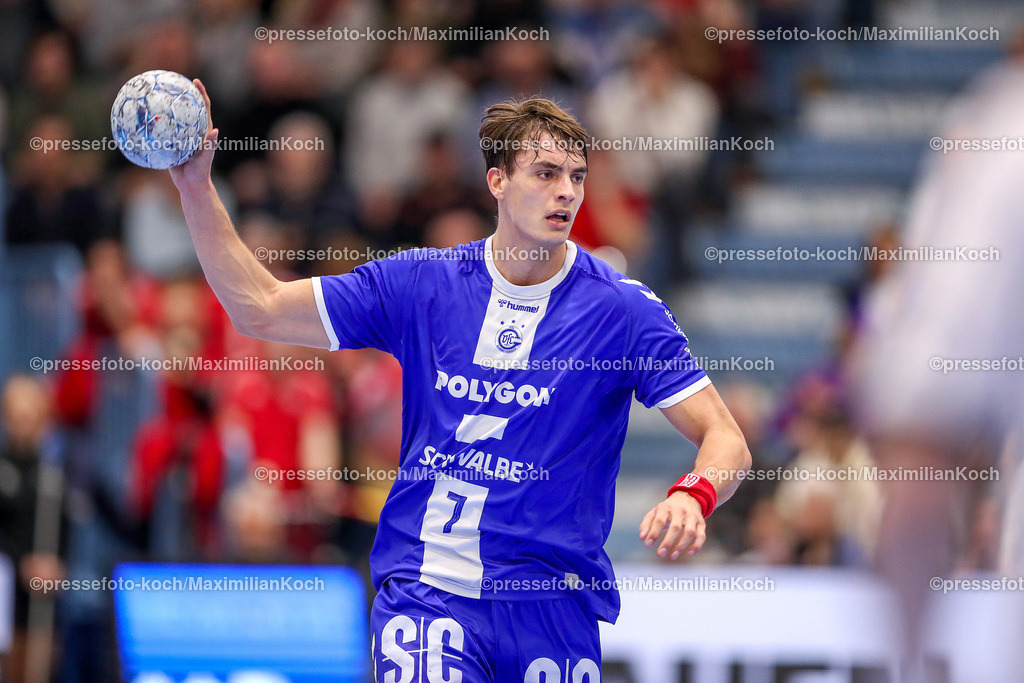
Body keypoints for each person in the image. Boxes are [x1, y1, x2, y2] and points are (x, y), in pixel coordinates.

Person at [169, 81, 751, 681]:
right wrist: (195, 187)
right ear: (497, 182)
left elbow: (725, 438)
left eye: (576, 177)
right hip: (428, 592)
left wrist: (694, 494)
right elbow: (259, 307)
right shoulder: (423, 283)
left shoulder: (621, 312)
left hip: (553, 603)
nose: (566, 192)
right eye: (545, 173)